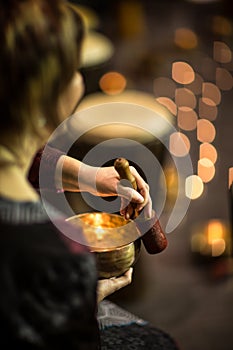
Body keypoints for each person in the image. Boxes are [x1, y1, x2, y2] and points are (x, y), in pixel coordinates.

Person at [0, 0, 179, 348]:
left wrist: (90, 176)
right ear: (47, 94)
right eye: (74, 71)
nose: (79, 81)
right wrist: (82, 299)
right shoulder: (51, 249)